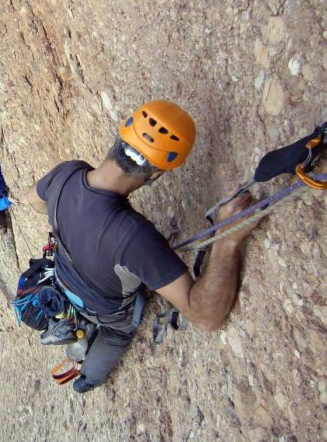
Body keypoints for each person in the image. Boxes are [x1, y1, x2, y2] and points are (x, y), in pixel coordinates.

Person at [26, 100, 262, 393]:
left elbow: (34, 200)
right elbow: (206, 316)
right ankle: (87, 378)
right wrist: (228, 239)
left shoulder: (67, 174)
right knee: (116, 333)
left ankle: (82, 362)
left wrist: (71, 225)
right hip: (105, 310)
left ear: (119, 137)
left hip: (61, 276)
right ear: (157, 175)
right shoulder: (135, 238)